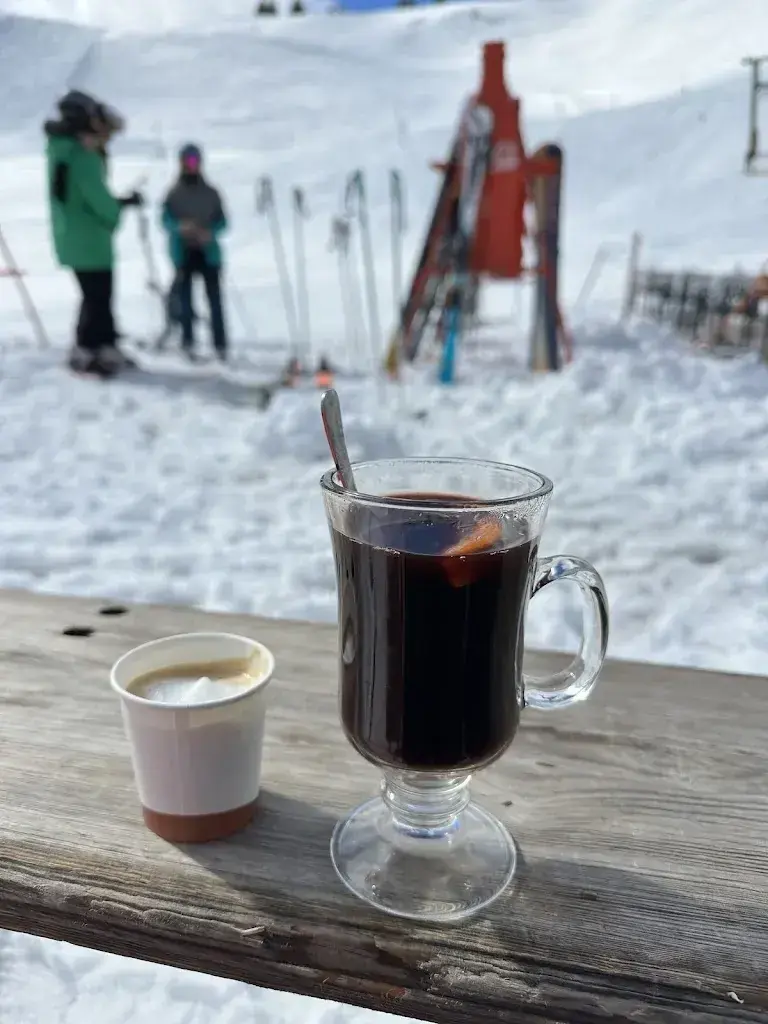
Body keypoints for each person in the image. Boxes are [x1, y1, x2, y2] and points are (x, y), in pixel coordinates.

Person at [44, 90, 144, 377]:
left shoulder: (60, 150)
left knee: (93, 295)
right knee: (98, 295)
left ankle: (101, 346)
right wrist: (117, 211)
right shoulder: (82, 156)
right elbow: (98, 200)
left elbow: (74, 196)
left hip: (72, 237)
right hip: (90, 239)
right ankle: (90, 349)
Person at [161, 144, 229, 361]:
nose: (191, 165)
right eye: (186, 161)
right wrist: (181, 227)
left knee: (215, 300)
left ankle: (220, 345)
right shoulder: (173, 193)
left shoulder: (211, 193)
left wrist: (209, 232)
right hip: (184, 253)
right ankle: (188, 342)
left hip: (208, 253)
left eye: (194, 161)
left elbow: (223, 221)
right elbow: (165, 220)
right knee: (185, 300)